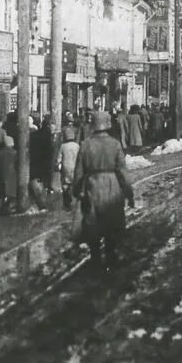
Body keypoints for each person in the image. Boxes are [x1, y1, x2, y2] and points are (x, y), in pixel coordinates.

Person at [72, 111, 134, 270]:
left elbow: (78, 172)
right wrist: (129, 193)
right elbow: (122, 171)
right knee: (112, 222)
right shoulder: (115, 144)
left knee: (92, 223)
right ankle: (111, 255)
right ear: (108, 125)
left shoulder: (85, 144)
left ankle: (95, 257)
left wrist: (76, 190)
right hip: (112, 185)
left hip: (92, 186)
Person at [0, 133, 18, 215]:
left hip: (1, 176)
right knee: (11, 193)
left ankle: (0, 207)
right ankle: (9, 208)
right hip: (12, 176)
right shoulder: (15, 153)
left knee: (1, 192)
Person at [58, 126, 80, 209]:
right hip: (75, 167)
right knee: (75, 183)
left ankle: (67, 203)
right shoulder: (77, 146)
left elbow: (59, 158)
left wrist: (58, 164)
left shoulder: (63, 146)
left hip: (66, 167)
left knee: (65, 185)